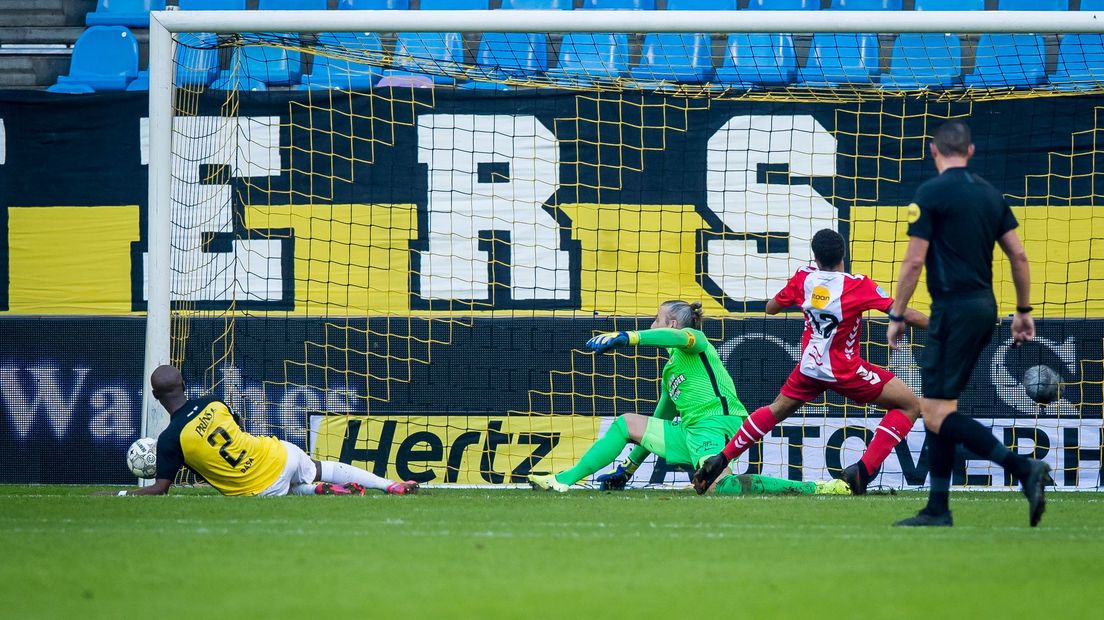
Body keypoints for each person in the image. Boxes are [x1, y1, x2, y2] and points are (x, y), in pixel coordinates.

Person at [885, 119, 1050, 527]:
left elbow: (914, 260)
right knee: (942, 406)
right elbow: (1019, 256)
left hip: (953, 311)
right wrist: (1024, 312)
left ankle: (1022, 468)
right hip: (984, 308)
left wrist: (897, 313)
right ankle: (937, 508)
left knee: (934, 413)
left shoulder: (930, 193)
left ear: (932, 149)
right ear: (971, 152)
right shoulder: (991, 195)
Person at [691, 229, 929, 496]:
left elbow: (771, 307)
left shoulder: (804, 278)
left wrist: (800, 299)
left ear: (815, 257)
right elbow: (901, 312)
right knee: (910, 404)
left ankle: (721, 459)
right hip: (844, 370)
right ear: (844, 255)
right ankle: (863, 470)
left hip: (810, 367)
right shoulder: (858, 284)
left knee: (776, 409)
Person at [527, 300, 851, 497]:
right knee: (627, 424)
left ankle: (817, 487)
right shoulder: (671, 372)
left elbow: (677, 336)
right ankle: (564, 480)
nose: (651, 324)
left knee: (717, 488)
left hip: (718, 426)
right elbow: (660, 419)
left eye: (655, 319)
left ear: (669, 323)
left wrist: (629, 337)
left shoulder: (695, 341)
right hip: (691, 433)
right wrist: (626, 470)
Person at [106, 365, 419, 497]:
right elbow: (239, 428)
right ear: (184, 384)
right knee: (319, 467)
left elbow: (160, 489)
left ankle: (315, 492)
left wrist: (121, 493)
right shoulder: (212, 402)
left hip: (263, 483)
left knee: (273, 490)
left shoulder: (170, 441)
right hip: (281, 451)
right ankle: (388, 484)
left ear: (156, 397)